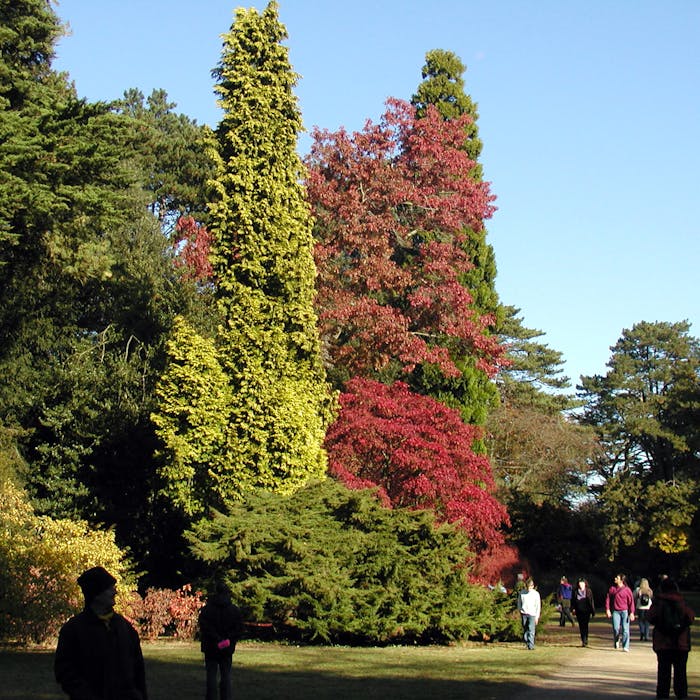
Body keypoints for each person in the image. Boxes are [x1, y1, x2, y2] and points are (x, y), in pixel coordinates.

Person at [55, 566, 147, 700]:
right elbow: (65, 671)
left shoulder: (124, 627)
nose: (114, 592)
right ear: (96, 594)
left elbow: (138, 670)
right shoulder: (74, 630)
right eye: (109, 588)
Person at [647, 577, 695, 699]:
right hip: (681, 644)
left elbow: (650, 617)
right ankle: (681, 696)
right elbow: (690, 617)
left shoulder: (659, 602)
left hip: (663, 644)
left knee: (663, 676)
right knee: (680, 676)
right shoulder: (682, 601)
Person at [199, 582, 245, 700]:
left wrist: (216, 638)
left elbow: (204, 628)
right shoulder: (234, 610)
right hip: (227, 647)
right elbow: (239, 629)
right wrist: (228, 639)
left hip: (211, 647)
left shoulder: (207, 610)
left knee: (211, 676)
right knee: (226, 676)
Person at [605, 572, 635, 652]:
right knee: (616, 628)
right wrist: (607, 609)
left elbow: (631, 602)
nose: (615, 579)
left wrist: (632, 612)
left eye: (617, 578)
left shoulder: (627, 590)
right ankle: (616, 640)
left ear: (621, 580)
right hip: (615, 612)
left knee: (625, 629)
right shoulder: (612, 589)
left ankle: (625, 646)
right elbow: (608, 599)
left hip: (625, 611)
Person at [518, 577, 541, 650]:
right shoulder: (522, 593)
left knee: (531, 629)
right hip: (524, 613)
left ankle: (531, 645)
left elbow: (538, 606)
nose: (528, 589)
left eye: (530, 587)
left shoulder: (536, 594)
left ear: (532, 586)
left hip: (532, 614)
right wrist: (520, 610)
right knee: (525, 629)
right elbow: (519, 603)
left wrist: (537, 617)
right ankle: (527, 642)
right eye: (527, 587)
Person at [571, 577, 595, 647]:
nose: (581, 585)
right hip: (579, 611)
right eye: (580, 583)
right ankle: (583, 640)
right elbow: (573, 601)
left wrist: (593, 611)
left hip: (586, 611)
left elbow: (591, 601)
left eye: (582, 583)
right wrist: (573, 609)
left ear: (585, 584)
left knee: (585, 625)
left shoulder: (588, 591)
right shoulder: (575, 591)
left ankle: (586, 640)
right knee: (581, 626)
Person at [635, 577, 654, 641]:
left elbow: (634, 596)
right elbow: (651, 598)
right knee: (647, 622)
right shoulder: (649, 590)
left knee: (640, 621)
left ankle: (642, 632)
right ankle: (646, 636)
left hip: (640, 607)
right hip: (648, 607)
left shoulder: (638, 589)